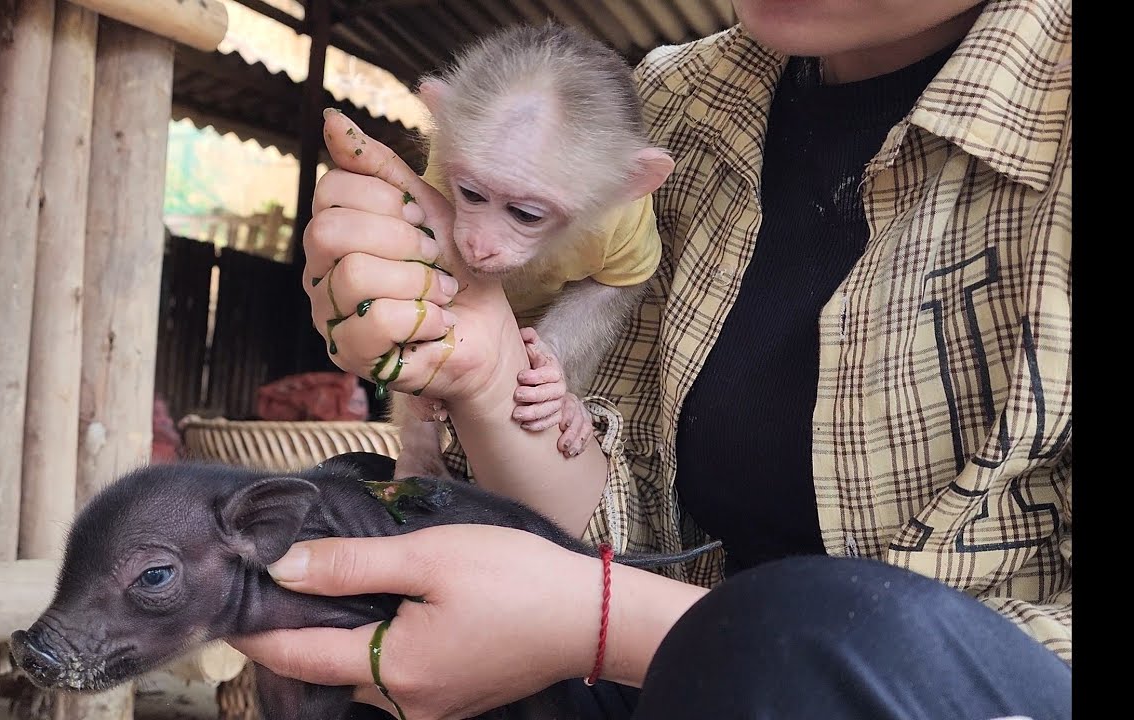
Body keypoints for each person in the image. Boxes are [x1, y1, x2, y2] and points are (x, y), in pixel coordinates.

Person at [230, 0, 1073, 717]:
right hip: (656, 668)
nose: (484, 238)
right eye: (472, 195)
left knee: (803, 640)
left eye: (524, 213)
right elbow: (618, 528)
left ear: (635, 182)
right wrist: (479, 364)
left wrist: (607, 623)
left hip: (915, 683)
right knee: (340, 529)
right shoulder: (670, 100)